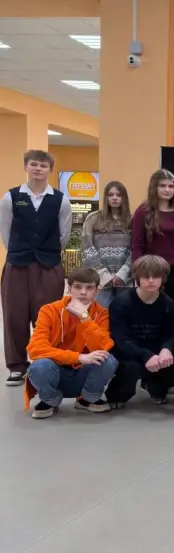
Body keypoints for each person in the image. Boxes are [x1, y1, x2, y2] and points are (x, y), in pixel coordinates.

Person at [0, 150, 72, 386]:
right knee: (14, 315)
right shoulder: (10, 198)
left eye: (43, 165)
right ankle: (17, 366)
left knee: (47, 316)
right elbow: (5, 232)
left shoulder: (61, 200)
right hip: (17, 264)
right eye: (34, 164)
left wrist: (48, 252)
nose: (38, 169)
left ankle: (45, 361)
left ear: (51, 170)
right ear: (26, 167)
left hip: (49, 265)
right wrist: (18, 251)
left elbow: (64, 235)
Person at [25, 268, 117, 419]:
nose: (83, 292)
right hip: (55, 371)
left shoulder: (101, 313)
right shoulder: (49, 310)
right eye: (78, 287)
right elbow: (35, 349)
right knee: (39, 366)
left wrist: (84, 318)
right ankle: (50, 400)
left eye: (89, 288)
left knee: (108, 360)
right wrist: (78, 357)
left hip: (84, 373)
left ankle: (86, 399)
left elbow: (104, 346)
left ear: (96, 291)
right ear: (69, 288)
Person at [108, 255, 174, 407]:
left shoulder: (169, 304)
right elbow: (120, 339)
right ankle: (118, 394)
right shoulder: (121, 303)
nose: (151, 281)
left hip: (158, 352)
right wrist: (145, 355)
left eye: (156, 276)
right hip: (130, 352)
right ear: (137, 278)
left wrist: (167, 349)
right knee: (130, 367)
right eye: (145, 277)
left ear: (163, 278)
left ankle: (156, 387)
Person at [131, 169, 174, 317]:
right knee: (151, 312)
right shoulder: (142, 212)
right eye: (163, 186)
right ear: (154, 187)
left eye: (171, 186)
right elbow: (137, 246)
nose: (167, 190)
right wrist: (137, 275)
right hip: (151, 271)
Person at [81, 180, 132, 308]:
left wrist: (123, 273)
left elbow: (136, 249)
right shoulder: (93, 218)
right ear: (106, 197)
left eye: (118, 195)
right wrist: (103, 274)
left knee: (123, 315)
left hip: (125, 280)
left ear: (124, 198)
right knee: (100, 315)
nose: (114, 198)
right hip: (100, 281)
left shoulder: (132, 220)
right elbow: (87, 248)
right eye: (111, 194)